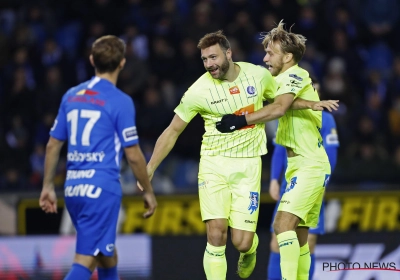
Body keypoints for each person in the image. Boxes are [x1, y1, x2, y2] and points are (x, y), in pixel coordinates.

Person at [142, 30, 330, 280]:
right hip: (213, 165)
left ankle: (250, 250)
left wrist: (310, 102)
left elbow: (282, 102)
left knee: (241, 241)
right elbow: (172, 130)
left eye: (213, 57)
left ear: (228, 53)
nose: (209, 64)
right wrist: (149, 168)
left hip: (248, 167)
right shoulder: (199, 91)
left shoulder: (258, 75)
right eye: (204, 60)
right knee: (216, 232)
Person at [215, 21, 338, 280]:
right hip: (301, 166)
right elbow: (289, 104)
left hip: (309, 165)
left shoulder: (294, 74)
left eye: (270, 53)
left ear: (288, 57)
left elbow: (280, 108)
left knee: (282, 226)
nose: (265, 58)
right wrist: (313, 104)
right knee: (301, 237)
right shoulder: (286, 82)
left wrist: (240, 120)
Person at [39, 35, 157, 280]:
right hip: (101, 190)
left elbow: (53, 144)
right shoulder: (121, 101)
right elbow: (133, 155)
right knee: (85, 261)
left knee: (106, 255)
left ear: (92, 60)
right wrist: (147, 190)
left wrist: (48, 185)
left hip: (73, 189)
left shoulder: (70, 95)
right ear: (122, 63)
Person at [266, 77, 339, 280]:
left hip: (312, 184)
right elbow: (280, 150)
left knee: (308, 242)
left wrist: (322, 182)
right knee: (277, 241)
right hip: (289, 185)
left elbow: (331, 154)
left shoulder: (326, 119)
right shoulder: (288, 117)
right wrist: (274, 179)